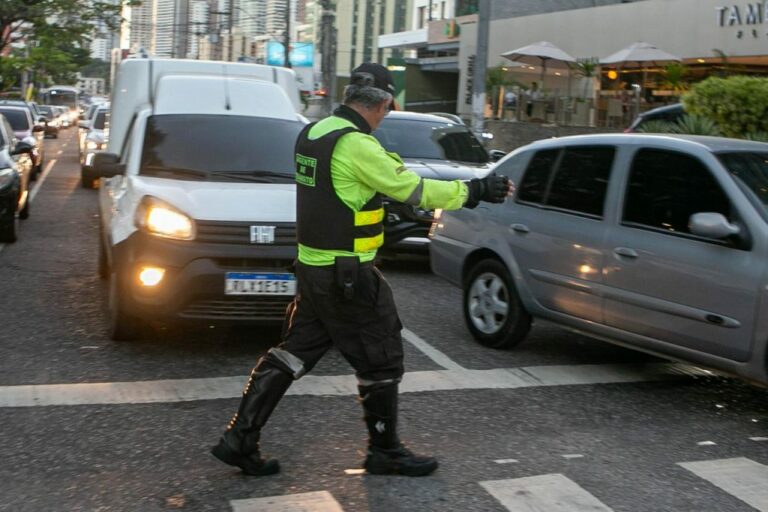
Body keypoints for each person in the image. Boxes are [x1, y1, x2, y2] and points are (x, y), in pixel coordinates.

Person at [211, 62, 512, 478]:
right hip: (347, 275)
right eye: (388, 108)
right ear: (384, 103)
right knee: (382, 358)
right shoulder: (356, 144)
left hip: (314, 268)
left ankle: (239, 438)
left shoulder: (314, 133)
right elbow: (413, 189)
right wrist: (476, 189)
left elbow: (343, 192)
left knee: (294, 353)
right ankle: (384, 451)